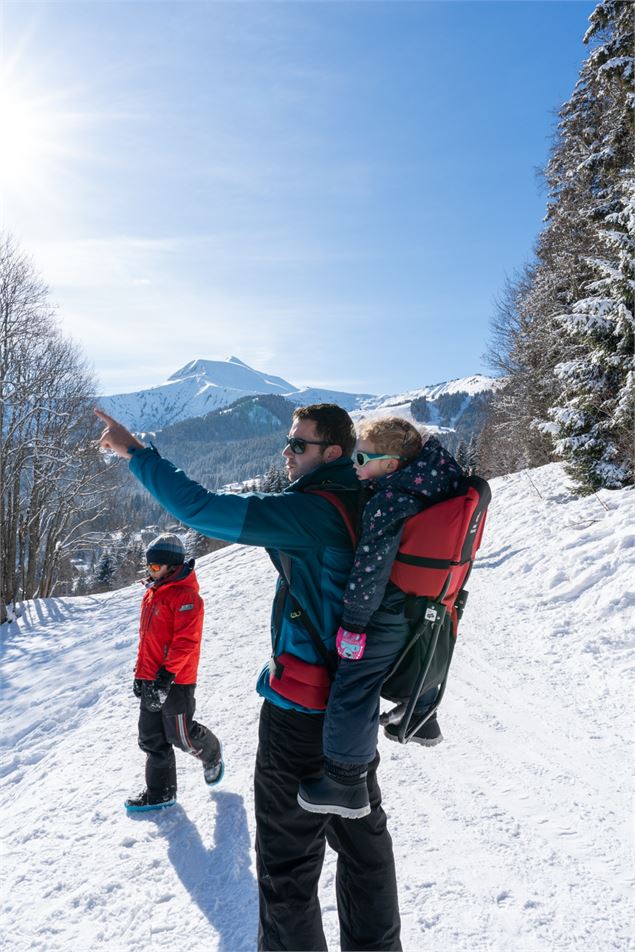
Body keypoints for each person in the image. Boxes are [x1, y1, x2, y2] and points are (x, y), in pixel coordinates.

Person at [96, 403, 402, 951]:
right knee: (364, 852)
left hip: (298, 716)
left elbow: (203, 509)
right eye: (287, 443)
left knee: (288, 867)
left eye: (298, 445)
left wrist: (137, 454)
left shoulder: (311, 510)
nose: (286, 453)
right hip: (351, 710)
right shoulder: (366, 499)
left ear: (332, 452)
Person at [298, 418, 464, 820]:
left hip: (389, 607)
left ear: (390, 465)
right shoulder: (438, 481)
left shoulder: (389, 502)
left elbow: (370, 570)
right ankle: (422, 716)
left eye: (362, 457)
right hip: (429, 601)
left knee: (355, 682)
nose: (355, 464)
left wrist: (353, 624)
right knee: (419, 649)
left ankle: (345, 782)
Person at [125, 532, 224, 812]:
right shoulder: (152, 593)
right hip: (151, 678)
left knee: (180, 735)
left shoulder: (187, 597)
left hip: (176, 680)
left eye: (155, 567)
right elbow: (147, 640)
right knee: (150, 737)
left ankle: (212, 753)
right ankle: (161, 793)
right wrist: (141, 674)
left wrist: (166, 676)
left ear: (171, 566)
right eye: (148, 566)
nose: (150, 571)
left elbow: (186, 642)